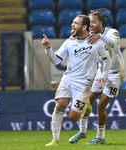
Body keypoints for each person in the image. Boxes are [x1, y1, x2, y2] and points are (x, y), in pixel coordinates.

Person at [42, 14, 111, 146]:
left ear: (84, 27)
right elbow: (56, 60)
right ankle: (55, 140)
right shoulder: (69, 42)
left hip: (83, 83)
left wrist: (103, 76)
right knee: (59, 105)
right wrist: (48, 49)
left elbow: (107, 60)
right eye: (72, 22)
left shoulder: (97, 42)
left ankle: (86, 108)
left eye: (76, 23)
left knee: (73, 118)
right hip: (68, 78)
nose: (72, 25)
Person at [69, 8, 125, 145]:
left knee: (101, 105)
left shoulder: (112, 32)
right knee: (86, 102)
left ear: (101, 23)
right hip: (100, 72)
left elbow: (113, 43)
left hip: (115, 74)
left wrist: (101, 37)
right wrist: (73, 38)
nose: (91, 25)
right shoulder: (89, 36)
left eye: (94, 22)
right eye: (89, 22)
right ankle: (82, 131)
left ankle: (100, 137)